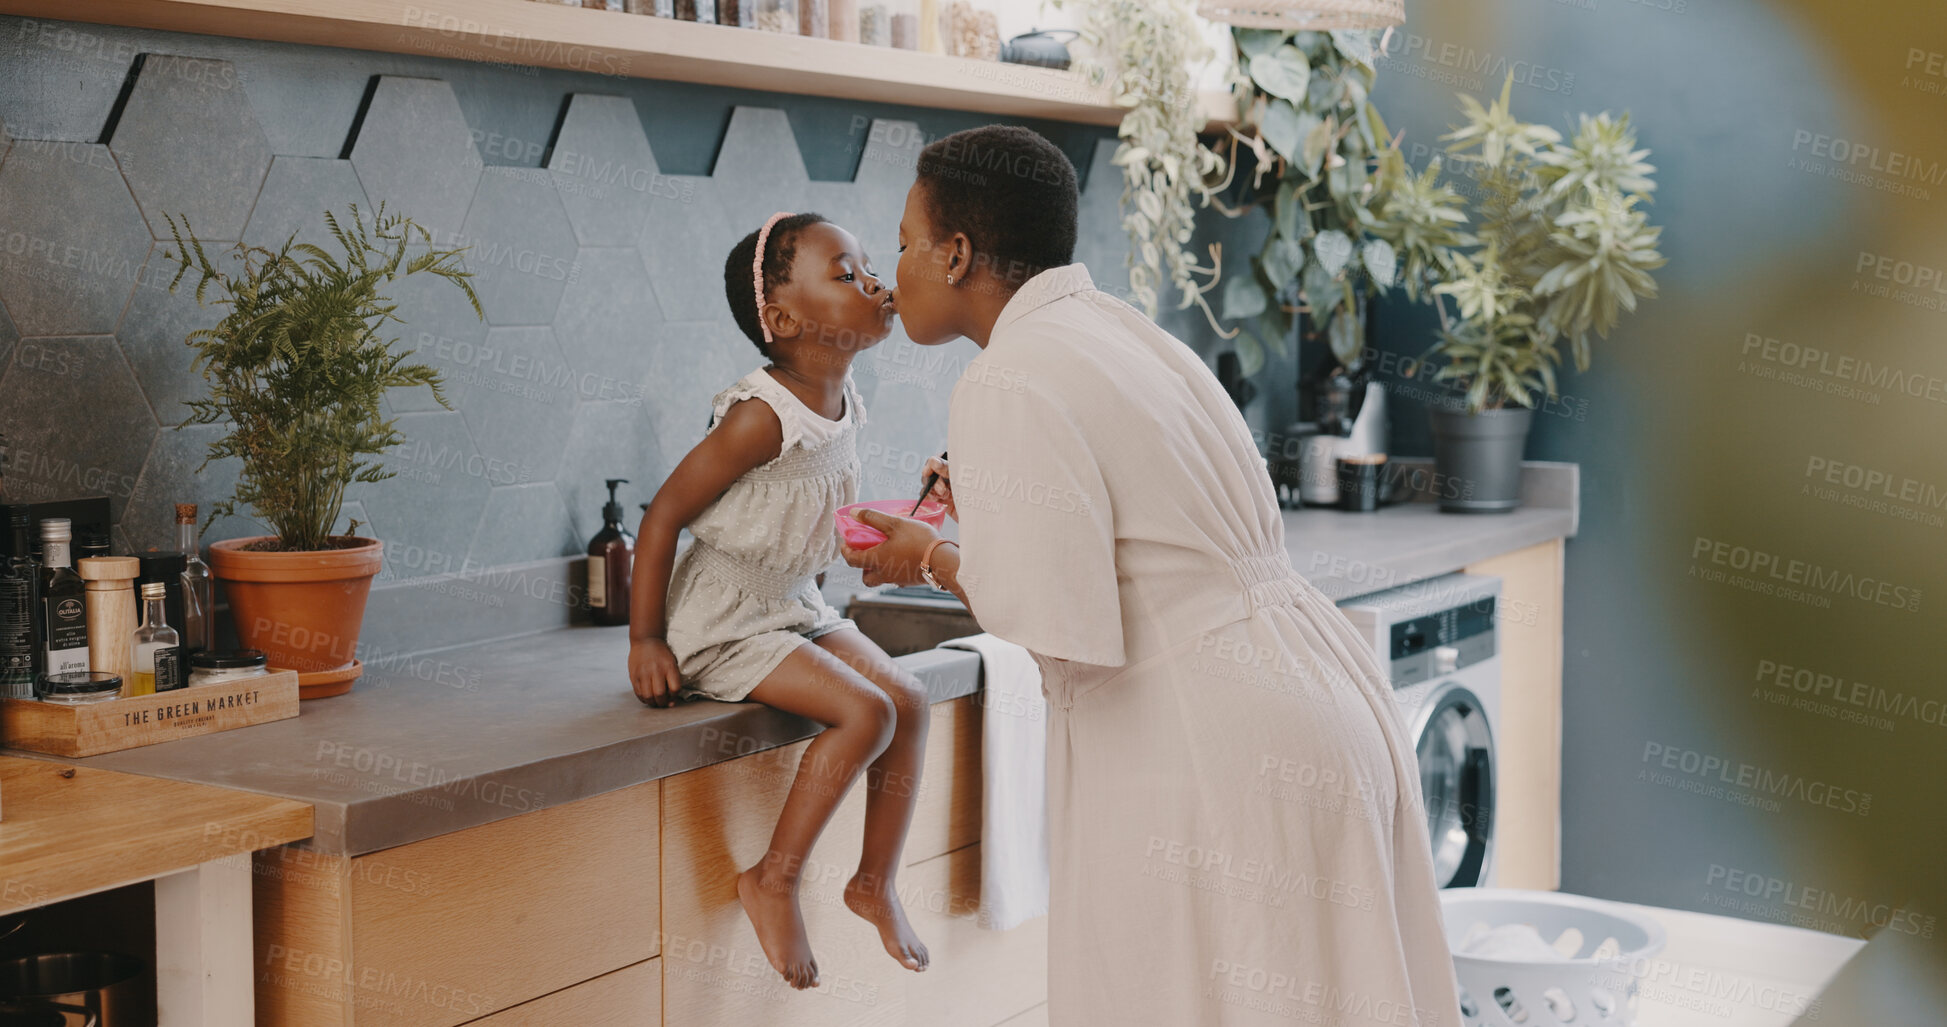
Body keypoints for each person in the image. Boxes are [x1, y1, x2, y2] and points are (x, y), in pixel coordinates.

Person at [842, 126, 1465, 1026]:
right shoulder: (1123, 332)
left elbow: (1060, 618)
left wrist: (932, 557)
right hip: (1319, 699)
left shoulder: (1006, 377)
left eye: (903, 243)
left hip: (1218, 745)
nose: (893, 269)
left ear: (958, 253)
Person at [627, 212, 931, 989]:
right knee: (868, 711)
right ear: (785, 319)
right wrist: (645, 640)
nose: (873, 281)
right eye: (845, 273)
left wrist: (883, 532)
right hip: (725, 622)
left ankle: (872, 881)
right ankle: (773, 879)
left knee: (912, 698)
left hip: (790, 603)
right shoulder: (759, 416)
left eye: (867, 265)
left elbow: (803, 511)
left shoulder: (840, 396)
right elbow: (662, 516)